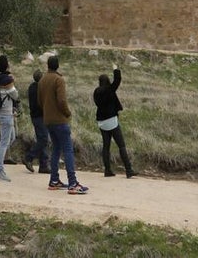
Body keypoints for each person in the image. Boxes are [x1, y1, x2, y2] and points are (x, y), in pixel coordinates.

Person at [38, 54, 88, 194]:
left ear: (48, 65)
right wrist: (67, 113)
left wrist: (47, 111)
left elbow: (39, 101)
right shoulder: (58, 80)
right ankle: (73, 183)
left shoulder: (42, 80)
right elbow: (61, 100)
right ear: (58, 65)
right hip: (60, 120)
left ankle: (54, 180)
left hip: (48, 120)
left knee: (56, 149)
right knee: (68, 149)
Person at [94, 64, 135, 178]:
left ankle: (107, 170)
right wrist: (116, 69)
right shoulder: (109, 90)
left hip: (101, 122)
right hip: (112, 120)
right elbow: (118, 80)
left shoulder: (96, 92)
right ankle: (128, 169)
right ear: (107, 81)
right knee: (121, 145)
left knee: (106, 146)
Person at [22, 69, 51, 175]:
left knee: (41, 139)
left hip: (35, 116)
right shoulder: (41, 89)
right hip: (40, 116)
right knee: (43, 139)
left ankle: (43, 165)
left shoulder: (31, 87)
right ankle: (29, 157)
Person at [0, 71, 18, 182]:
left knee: (11, 137)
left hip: (2, 114)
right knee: (4, 142)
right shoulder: (7, 81)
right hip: (6, 115)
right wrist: (13, 82)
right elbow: (16, 95)